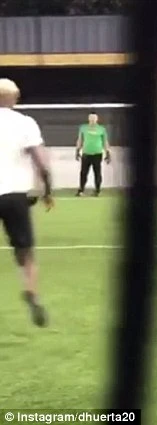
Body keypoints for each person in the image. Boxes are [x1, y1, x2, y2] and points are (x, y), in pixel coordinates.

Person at [0, 78, 54, 327]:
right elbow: (41, 160)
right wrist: (47, 190)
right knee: (25, 250)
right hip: (15, 196)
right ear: (14, 98)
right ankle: (31, 290)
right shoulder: (25, 123)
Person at [75, 112, 111, 197]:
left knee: (97, 172)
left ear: (97, 119)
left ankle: (97, 190)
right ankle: (81, 190)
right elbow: (80, 140)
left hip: (97, 153)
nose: (92, 120)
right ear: (88, 119)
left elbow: (105, 142)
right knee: (83, 173)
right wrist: (77, 151)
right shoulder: (83, 128)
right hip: (86, 153)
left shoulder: (101, 129)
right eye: (91, 118)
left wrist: (108, 153)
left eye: (94, 118)